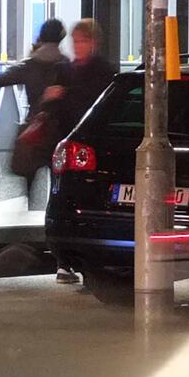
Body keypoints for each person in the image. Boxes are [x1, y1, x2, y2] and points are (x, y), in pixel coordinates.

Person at [45, 18, 116, 285]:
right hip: (65, 148)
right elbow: (52, 110)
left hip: (90, 150)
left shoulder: (104, 72)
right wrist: (51, 97)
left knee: (88, 202)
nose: (77, 46)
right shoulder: (64, 70)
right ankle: (63, 262)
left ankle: (87, 264)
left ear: (94, 43)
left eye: (82, 41)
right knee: (61, 200)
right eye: (74, 41)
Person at [0, 18, 68, 123]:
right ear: (61, 38)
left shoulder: (29, 65)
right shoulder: (67, 64)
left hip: (35, 124)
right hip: (61, 125)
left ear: (41, 36)